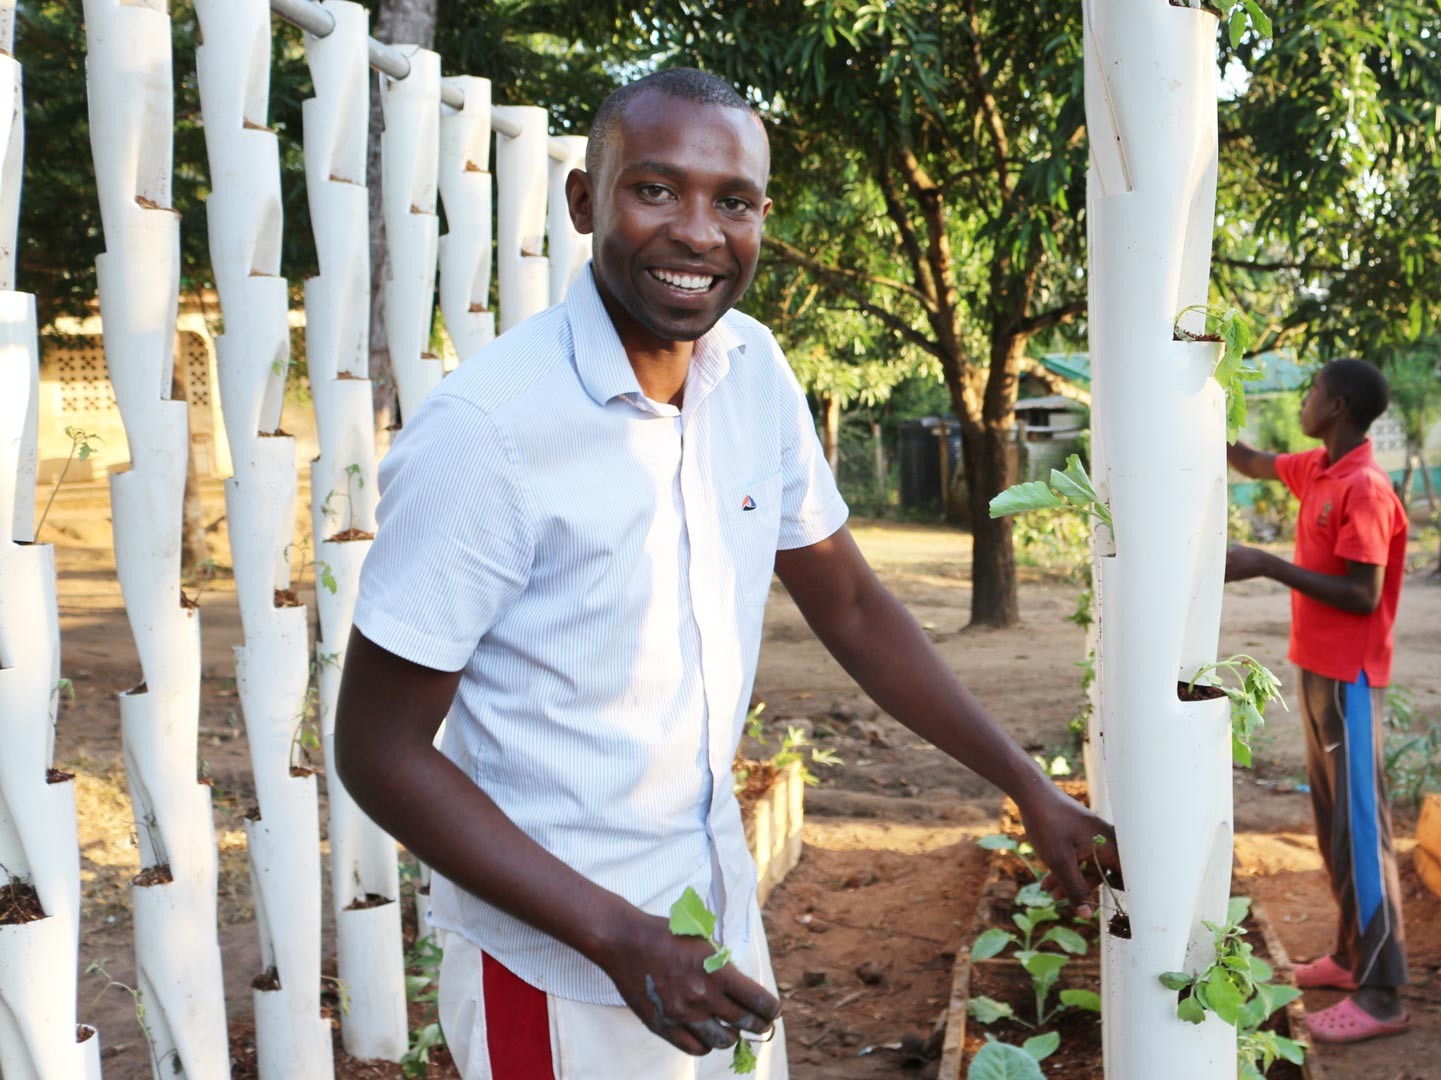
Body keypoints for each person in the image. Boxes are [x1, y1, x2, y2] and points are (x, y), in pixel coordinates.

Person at [333, 68, 1118, 1079]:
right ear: (584, 200)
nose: (698, 233)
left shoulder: (752, 371)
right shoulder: (488, 435)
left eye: (733, 201)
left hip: (710, 924)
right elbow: (378, 750)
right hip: (567, 966)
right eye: (655, 190)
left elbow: (852, 604)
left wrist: (1025, 785)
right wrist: (618, 936)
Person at [1224, 359, 1411, 1045]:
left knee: (1363, 833)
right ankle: (1347, 957)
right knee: (1335, 825)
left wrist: (1268, 564)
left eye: (1310, 394)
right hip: (1316, 672)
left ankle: (1385, 993)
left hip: (1351, 680)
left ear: (1335, 407)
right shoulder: (1318, 469)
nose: (1301, 403)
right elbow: (1247, 460)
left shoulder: (1364, 488)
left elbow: (1363, 593)